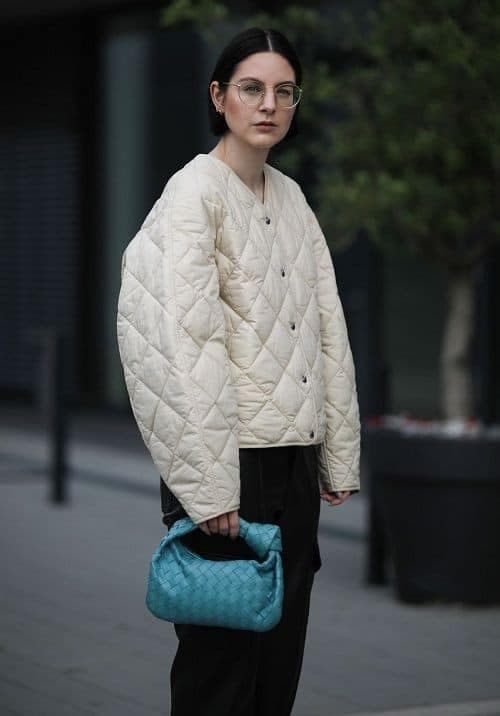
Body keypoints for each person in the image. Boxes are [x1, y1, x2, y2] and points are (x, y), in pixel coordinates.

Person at [116, 26, 360, 716]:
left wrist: (338, 453)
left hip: (294, 460)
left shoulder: (291, 198)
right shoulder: (192, 195)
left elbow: (327, 330)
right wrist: (208, 483)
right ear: (219, 96)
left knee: (278, 667)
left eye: (285, 91)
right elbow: (176, 345)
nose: (269, 104)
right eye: (252, 88)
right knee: (219, 673)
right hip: (230, 465)